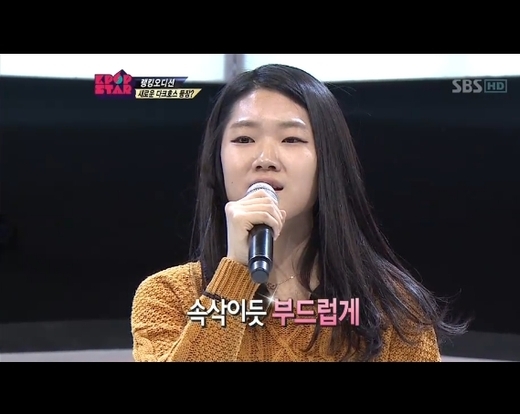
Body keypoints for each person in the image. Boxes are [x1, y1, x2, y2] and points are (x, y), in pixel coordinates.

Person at [131, 63, 468, 362]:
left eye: (291, 139)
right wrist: (235, 273)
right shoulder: (168, 296)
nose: (265, 158)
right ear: (217, 160)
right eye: (244, 139)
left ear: (327, 160)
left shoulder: (390, 305)